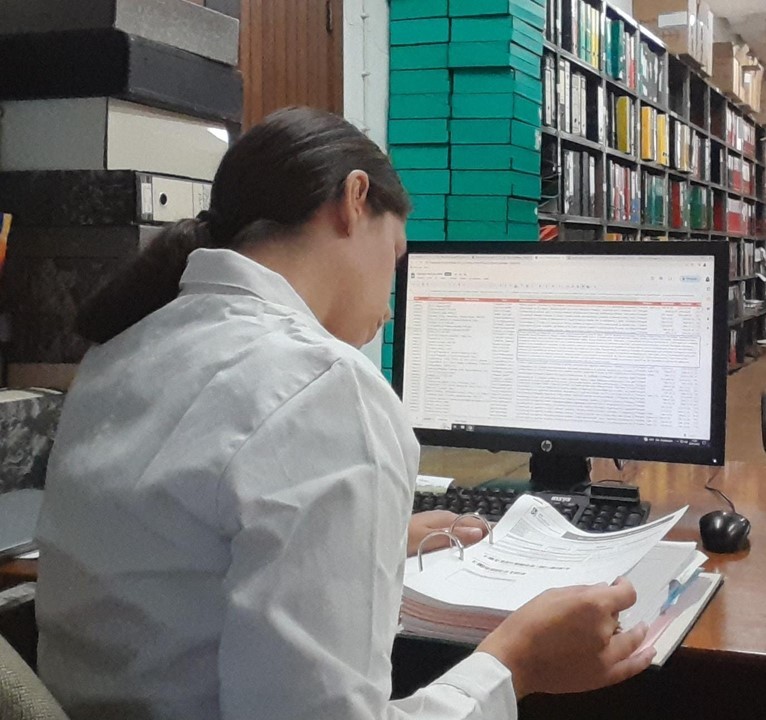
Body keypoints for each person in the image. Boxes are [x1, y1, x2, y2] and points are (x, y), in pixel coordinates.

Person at [35, 107, 655, 720]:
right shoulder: (326, 387)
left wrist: (368, 542)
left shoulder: (121, 350)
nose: (389, 305)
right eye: (396, 257)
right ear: (354, 199)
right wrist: (515, 665)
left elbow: (188, 555)